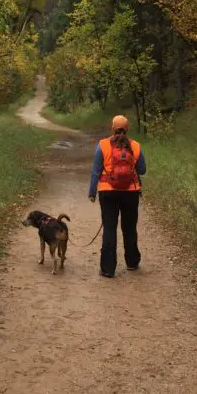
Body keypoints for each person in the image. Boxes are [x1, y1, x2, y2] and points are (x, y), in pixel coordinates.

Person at [88, 115, 146, 278]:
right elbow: (142, 170)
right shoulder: (135, 146)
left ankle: (107, 268)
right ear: (127, 129)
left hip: (107, 192)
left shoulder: (103, 145)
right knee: (129, 228)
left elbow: (96, 171)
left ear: (112, 128)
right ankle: (132, 262)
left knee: (109, 228)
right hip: (131, 193)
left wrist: (92, 191)